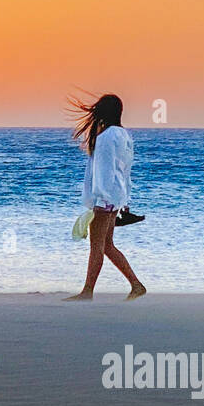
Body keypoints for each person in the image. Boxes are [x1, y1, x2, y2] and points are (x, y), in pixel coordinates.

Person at [65, 93, 146, 301]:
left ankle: (87, 292)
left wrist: (99, 200)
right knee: (107, 245)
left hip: (106, 198)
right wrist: (124, 201)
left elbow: (104, 171)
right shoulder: (124, 135)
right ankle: (136, 285)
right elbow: (125, 170)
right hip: (116, 196)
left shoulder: (105, 137)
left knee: (97, 246)